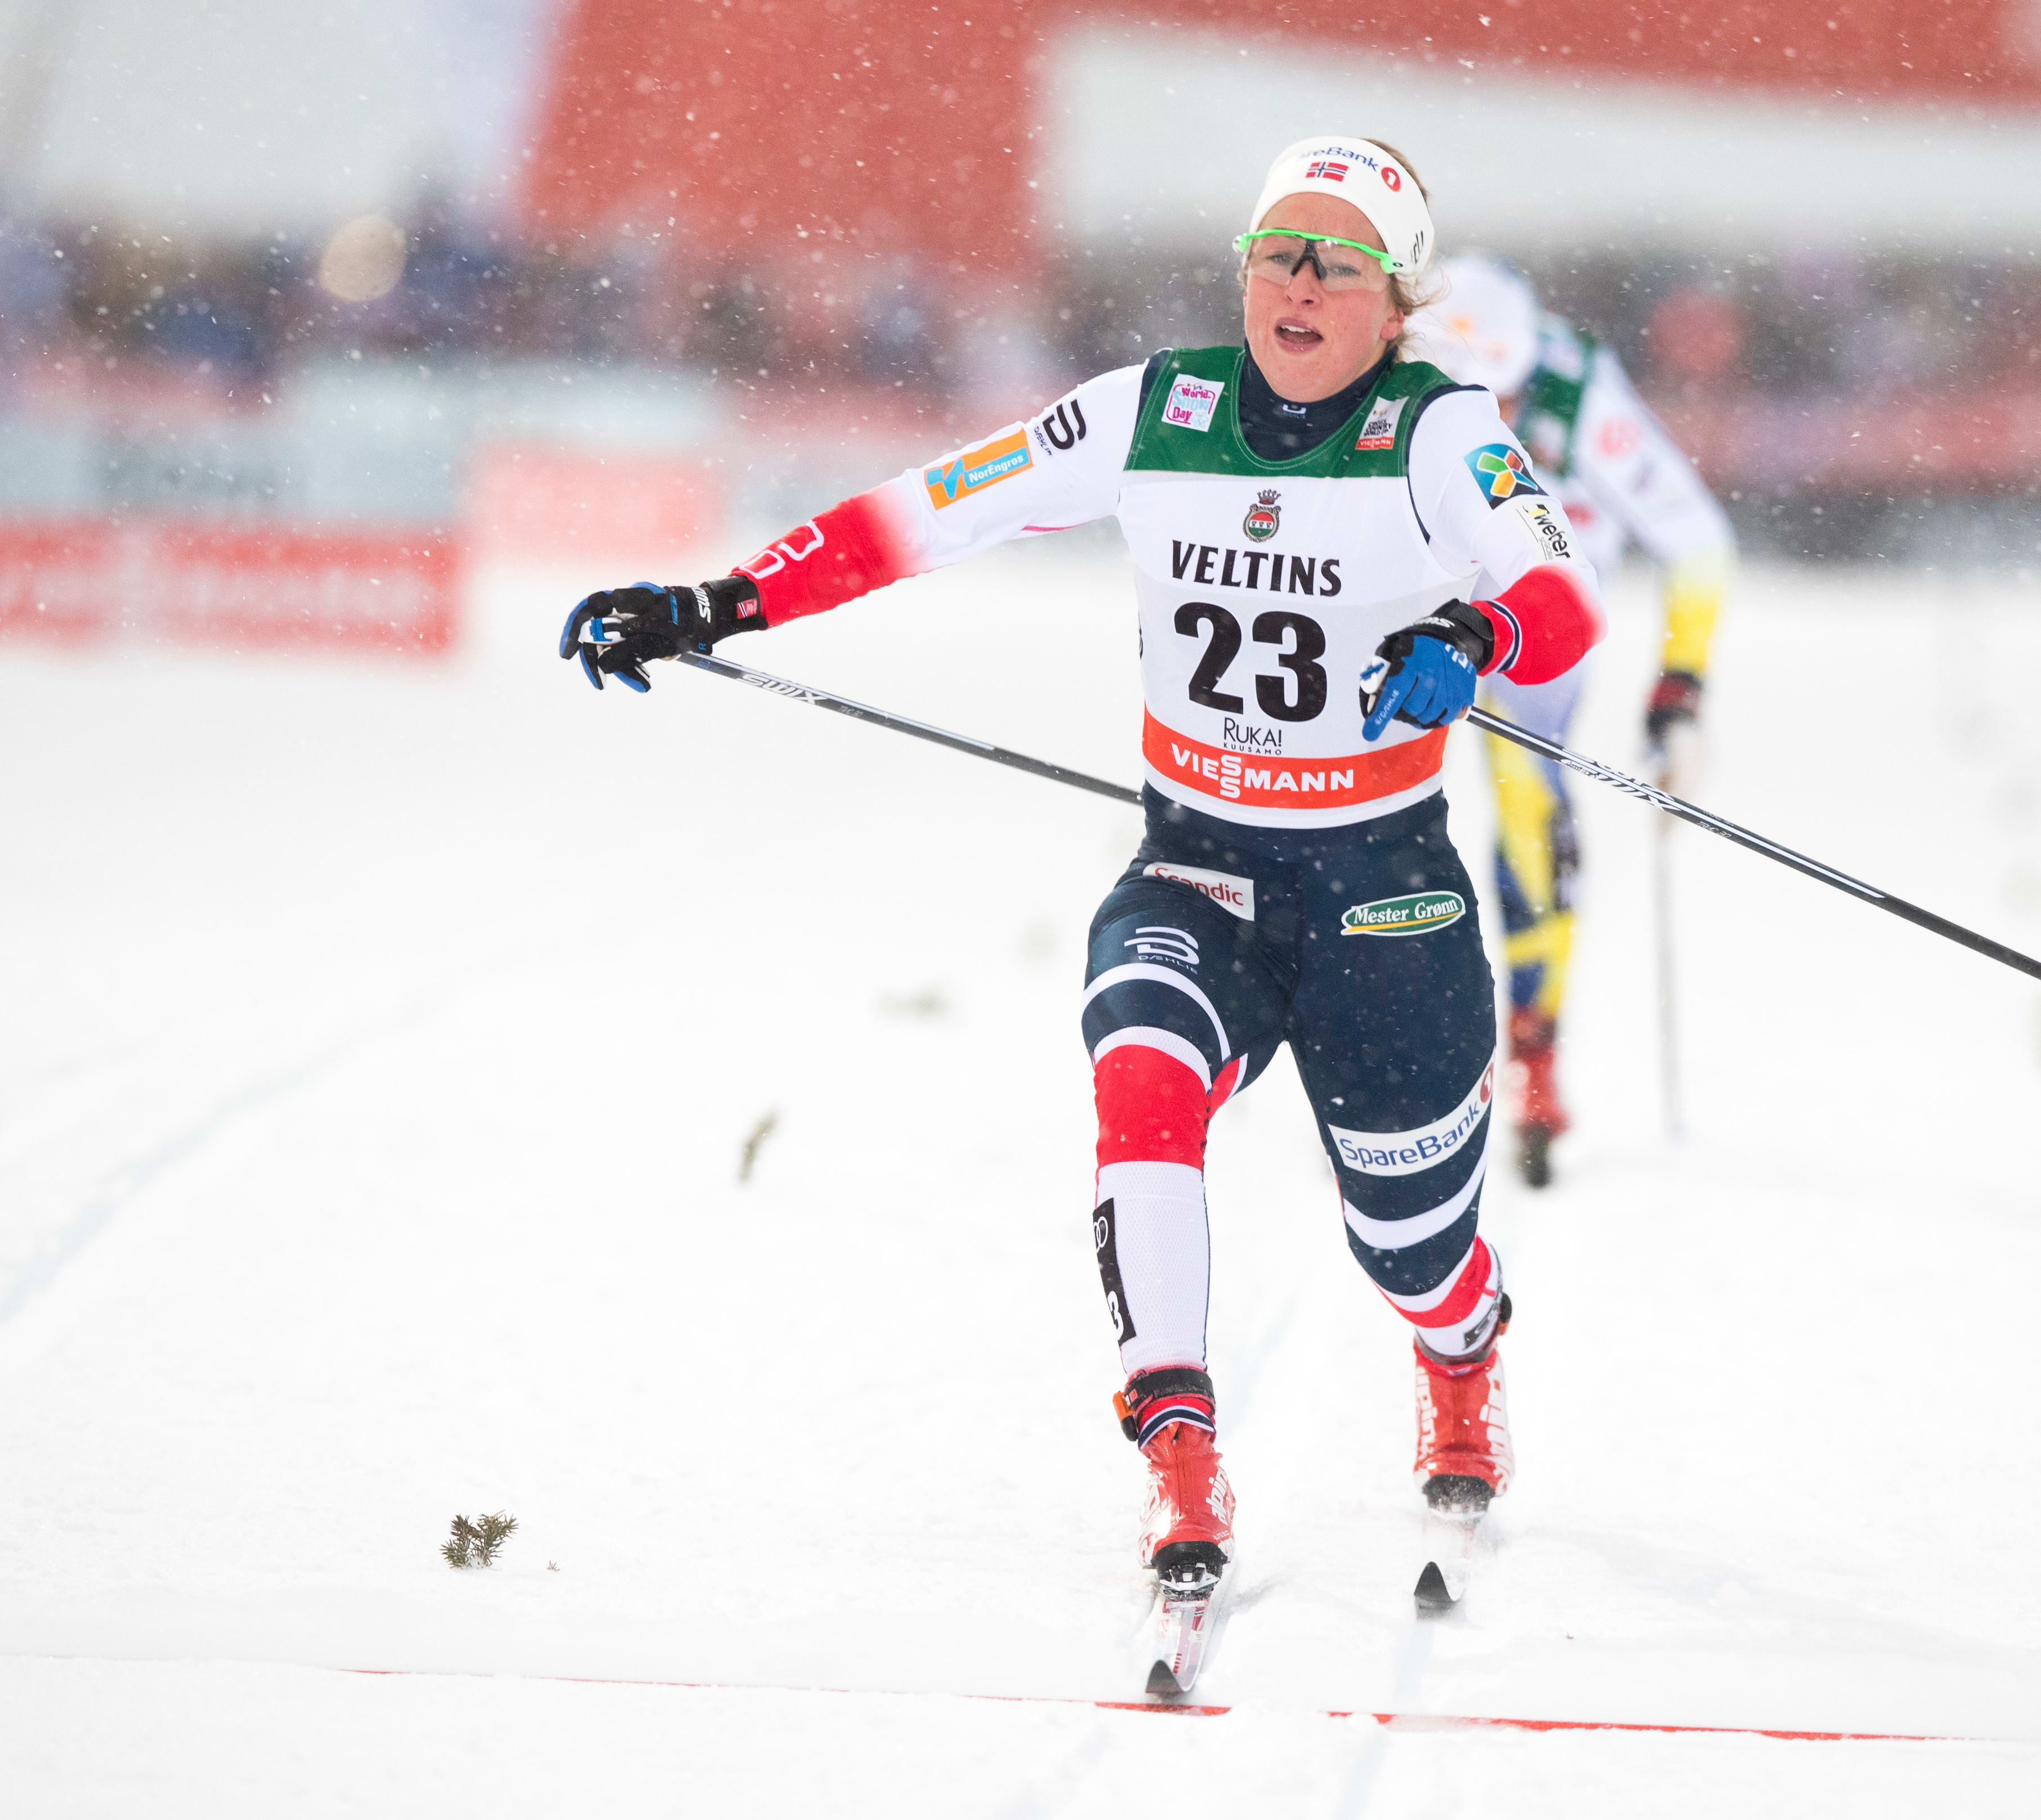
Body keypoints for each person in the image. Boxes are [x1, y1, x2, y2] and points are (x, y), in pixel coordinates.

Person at [559, 139, 1602, 1603]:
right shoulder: (1154, 410)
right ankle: (1180, 1450)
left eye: (1339, 264)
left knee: (1410, 1249)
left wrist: (1478, 638)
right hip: (1198, 867)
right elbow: (925, 510)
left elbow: (1562, 596)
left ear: (1397, 299)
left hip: (1383, 888)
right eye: (1278, 254)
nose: (1300, 287)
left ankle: (1461, 1348)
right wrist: (717, 601)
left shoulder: (1439, 434)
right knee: (1141, 1080)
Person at [1417, 256, 1735, 1186]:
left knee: (1528, 810)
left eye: (1508, 395)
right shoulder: (1393, 367)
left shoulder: (1577, 391)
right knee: (1362, 821)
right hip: (1418, 608)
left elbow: (1698, 544)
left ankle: (1534, 1054)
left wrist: (1677, 696)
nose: (1498, 417)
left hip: (1540, 626)